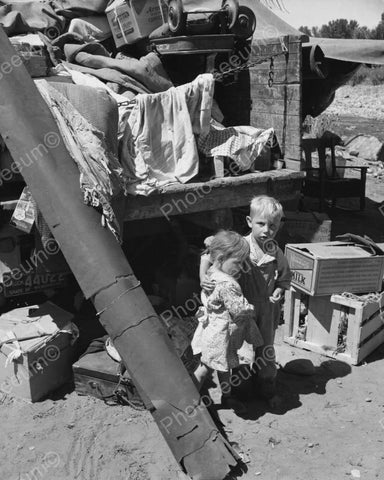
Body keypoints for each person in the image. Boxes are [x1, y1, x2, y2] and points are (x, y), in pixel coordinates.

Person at [200, 196, 291, 407]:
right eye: (261, 224)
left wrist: (279, 289)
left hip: (267, 308)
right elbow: (207, 255)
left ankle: (266, 389)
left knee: (265, 349)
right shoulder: (239, 245)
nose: (266, 230)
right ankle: (240, 391)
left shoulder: (274, 250)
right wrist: (204, 278)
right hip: (240, 308)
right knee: (239, 350)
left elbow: (285, 275)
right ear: (250, 222)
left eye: (273, 226)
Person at [191, 230, 263, 413]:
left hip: (215, 330)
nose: (241, 267)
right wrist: (252, 310)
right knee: (205, 368)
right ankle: (189, 402)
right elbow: (239, 309)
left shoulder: (211, 272)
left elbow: (207, 255)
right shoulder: (225, 284)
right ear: (221, 258)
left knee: (224, 367)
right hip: (218, 335)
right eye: (238, 263)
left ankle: (227, 396)